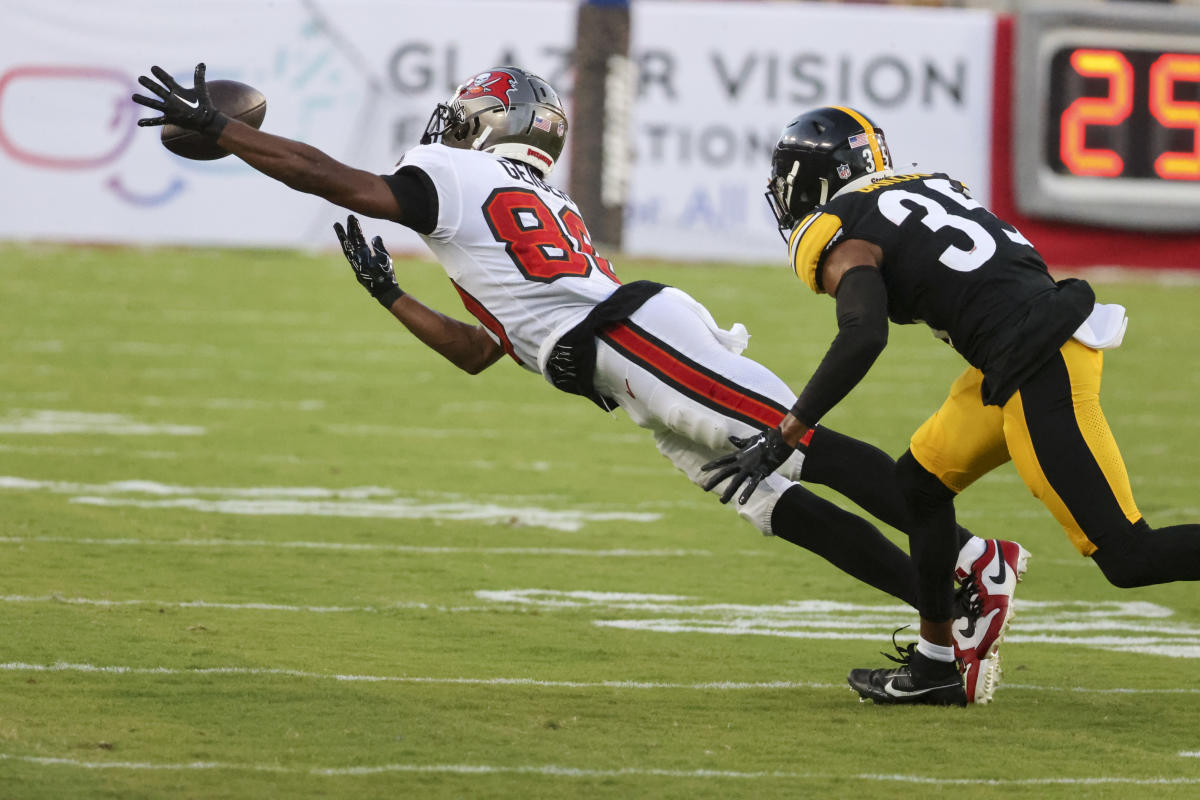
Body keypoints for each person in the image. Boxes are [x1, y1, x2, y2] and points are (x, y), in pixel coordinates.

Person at [132, 66, 1021, 704]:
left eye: (474, 105)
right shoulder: (508, 203)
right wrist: (393, 294)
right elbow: (482, 352)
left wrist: (226, 133)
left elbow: (341, 180)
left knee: (795, 444)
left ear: (498, 121)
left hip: (633, 340)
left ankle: (973, 561)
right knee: (770, 499)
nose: (456, 115)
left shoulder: (452, 174)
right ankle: (939, 596)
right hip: (614, 358)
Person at [704, 104, 1200, 705]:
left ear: (817, 177)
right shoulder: (928, 182)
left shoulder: (839, 226)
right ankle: (938, 663)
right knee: (920, 484)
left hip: (1039, 362)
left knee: (1128, 555)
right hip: (1016, 353)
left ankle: (942, 660)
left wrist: (786, 432)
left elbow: (863, 334)